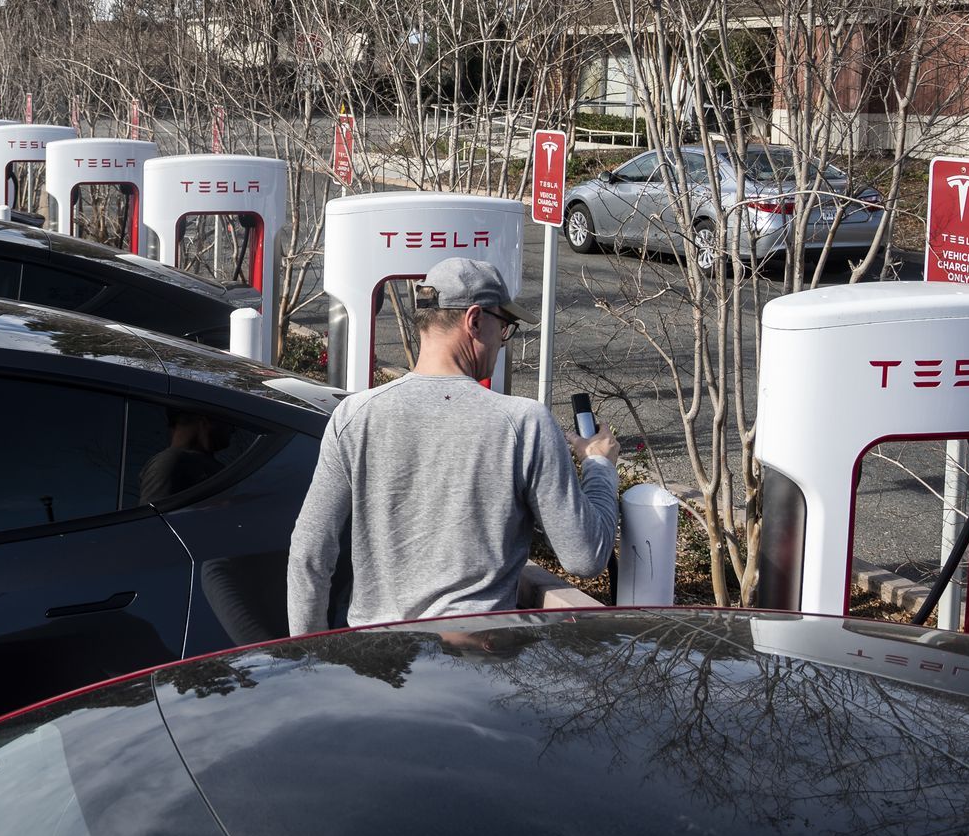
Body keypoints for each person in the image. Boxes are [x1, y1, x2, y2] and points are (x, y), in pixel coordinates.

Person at [287, 257, 620, 635]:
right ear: (475, 320)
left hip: (378, 666)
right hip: (475, 665)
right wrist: (599, 466)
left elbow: (309, 552)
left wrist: (309, 659)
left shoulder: (354, 416)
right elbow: (585, 555)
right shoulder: (523, 422)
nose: (501, 342)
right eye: (505, 327)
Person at [139, 409, 234, 502]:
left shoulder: (216, 467)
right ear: (206, 421)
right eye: (229, 422)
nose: (233, 430)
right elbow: (154, 516)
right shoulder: (170, 463)